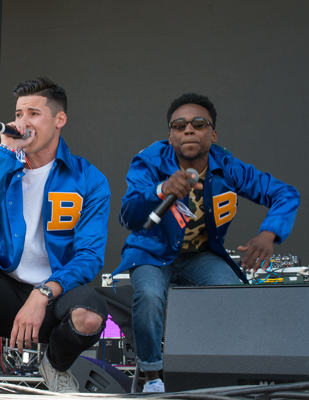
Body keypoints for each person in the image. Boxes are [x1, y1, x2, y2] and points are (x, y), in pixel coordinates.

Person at [114, 93, 300, 392]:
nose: (188, 130)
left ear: (213, 134)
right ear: (170, 137)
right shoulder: (149, 162)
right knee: (149, 295)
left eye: (199, 124)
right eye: (179, 125)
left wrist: (270, 233)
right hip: (151, 252)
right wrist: (161, 189)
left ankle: (230, 373)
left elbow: (285, 193)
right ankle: (153, 377)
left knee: (233, 295)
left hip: (199, 255)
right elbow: (128, 216)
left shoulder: (227, 166)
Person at [0, 77, 111, 393]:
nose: (23, 122)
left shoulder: (89, 179)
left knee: (89, 316)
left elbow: (89, 257)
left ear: (59, 120)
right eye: (19, 114)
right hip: (3, 293)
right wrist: (5, 153)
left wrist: (43, 293)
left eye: (33, 113)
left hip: (55, 297)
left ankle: (55, 365)